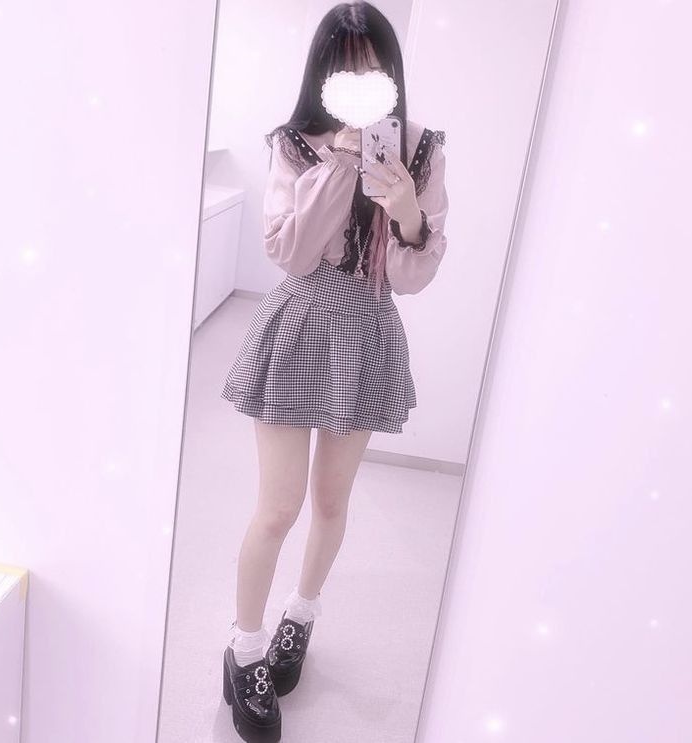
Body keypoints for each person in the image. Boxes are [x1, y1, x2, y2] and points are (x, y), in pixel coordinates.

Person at [219, 2, 448, 740]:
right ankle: (244, 649)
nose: (358, 79)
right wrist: (337, 164)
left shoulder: (420, 148)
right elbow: (288, 253)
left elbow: (411, 277)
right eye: (343, 66)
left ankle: (301, 614)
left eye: (371, 66)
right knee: (277, 508)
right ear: (322, 73)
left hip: (368, 330)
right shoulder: (295, 143)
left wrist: (407, 211)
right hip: (298, 325)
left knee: (329, 501)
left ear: (390, 73)